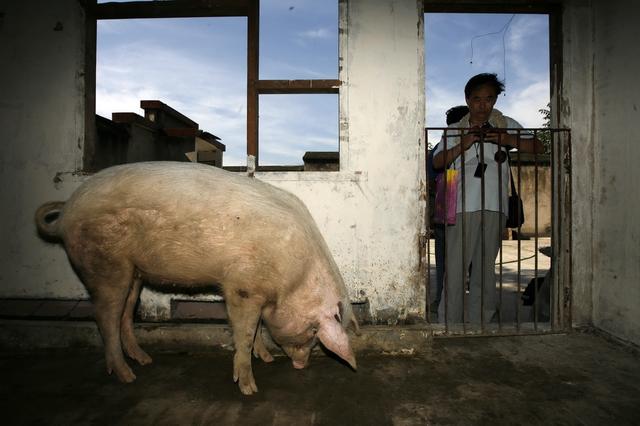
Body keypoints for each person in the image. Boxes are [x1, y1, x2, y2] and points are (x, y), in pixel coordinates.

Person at [432, 73, 543, 324]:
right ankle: (450, 322)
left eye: (489, 99)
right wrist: (464, 143)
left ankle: (480, 322)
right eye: (477, 99)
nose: (483, 105)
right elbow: (438, 162)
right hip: (461, 206)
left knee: (485, 269)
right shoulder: (453, 130)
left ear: (495, 100)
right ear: (467, 100)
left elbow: (539, 147)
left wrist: (508, 139)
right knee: (455, 268)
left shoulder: (505, 123)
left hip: (495, 205)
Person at [428, 105, 469, 316]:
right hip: (455, 209)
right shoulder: (444, 149)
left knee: (446, 260)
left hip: (447, 209)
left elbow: (430, 180)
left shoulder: (439, 148)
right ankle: (451, 300)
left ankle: (445, 300)